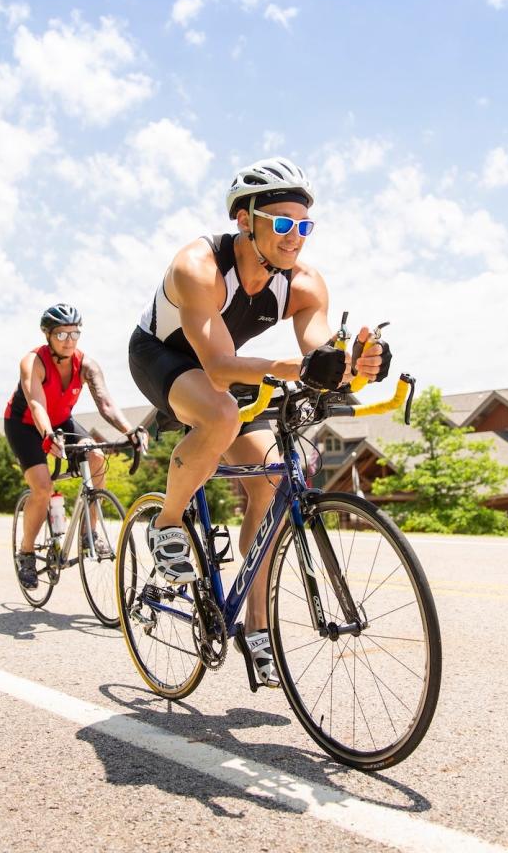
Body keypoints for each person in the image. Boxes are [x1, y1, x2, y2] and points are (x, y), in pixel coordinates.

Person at [127, 157, 388, 688]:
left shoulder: (306, 283)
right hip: (164, 358)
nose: (296, 238)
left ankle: (257, 627)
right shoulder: (197, 266)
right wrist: (290, 367)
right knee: (219, 413)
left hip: (228, 367)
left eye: (305, 226)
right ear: (245, 220)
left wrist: (355, 364)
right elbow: (220, 368)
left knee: (272, 477)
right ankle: (168, 523)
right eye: (284, 224)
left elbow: (317, 353)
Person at [6, 303, 147, 590]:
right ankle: (27, 553)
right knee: (43, 488)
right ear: (48, 335)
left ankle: (89, 533)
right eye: (61, 334)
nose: (69, 340)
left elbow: (105, 403)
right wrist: (47, 435)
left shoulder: (86, 364)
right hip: (25, 425)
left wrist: (128, 429)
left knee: (96, 456)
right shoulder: (33, 362)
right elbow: (36, 404)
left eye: (74, 333)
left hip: (61, 422)